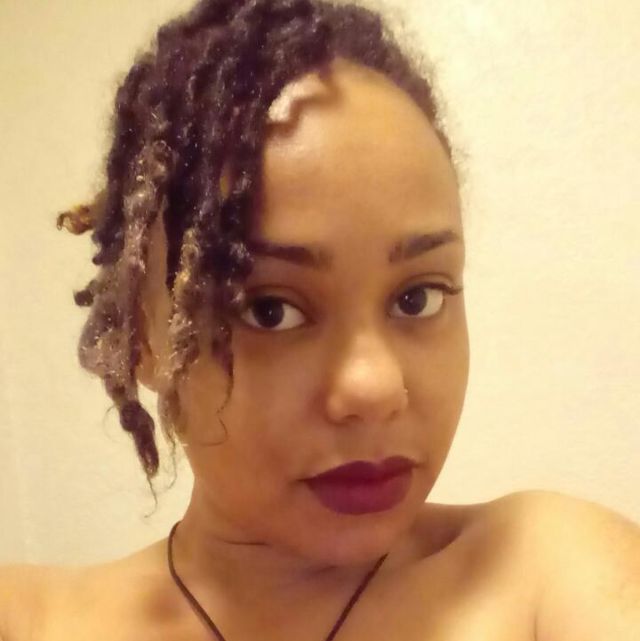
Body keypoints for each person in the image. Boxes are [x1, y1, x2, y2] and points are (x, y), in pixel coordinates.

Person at [1, 1, 638, 639]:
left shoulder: (546, 572)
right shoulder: (30, 619)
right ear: (140, 338)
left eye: (418, 298)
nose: (375, 388)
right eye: (269, 310)